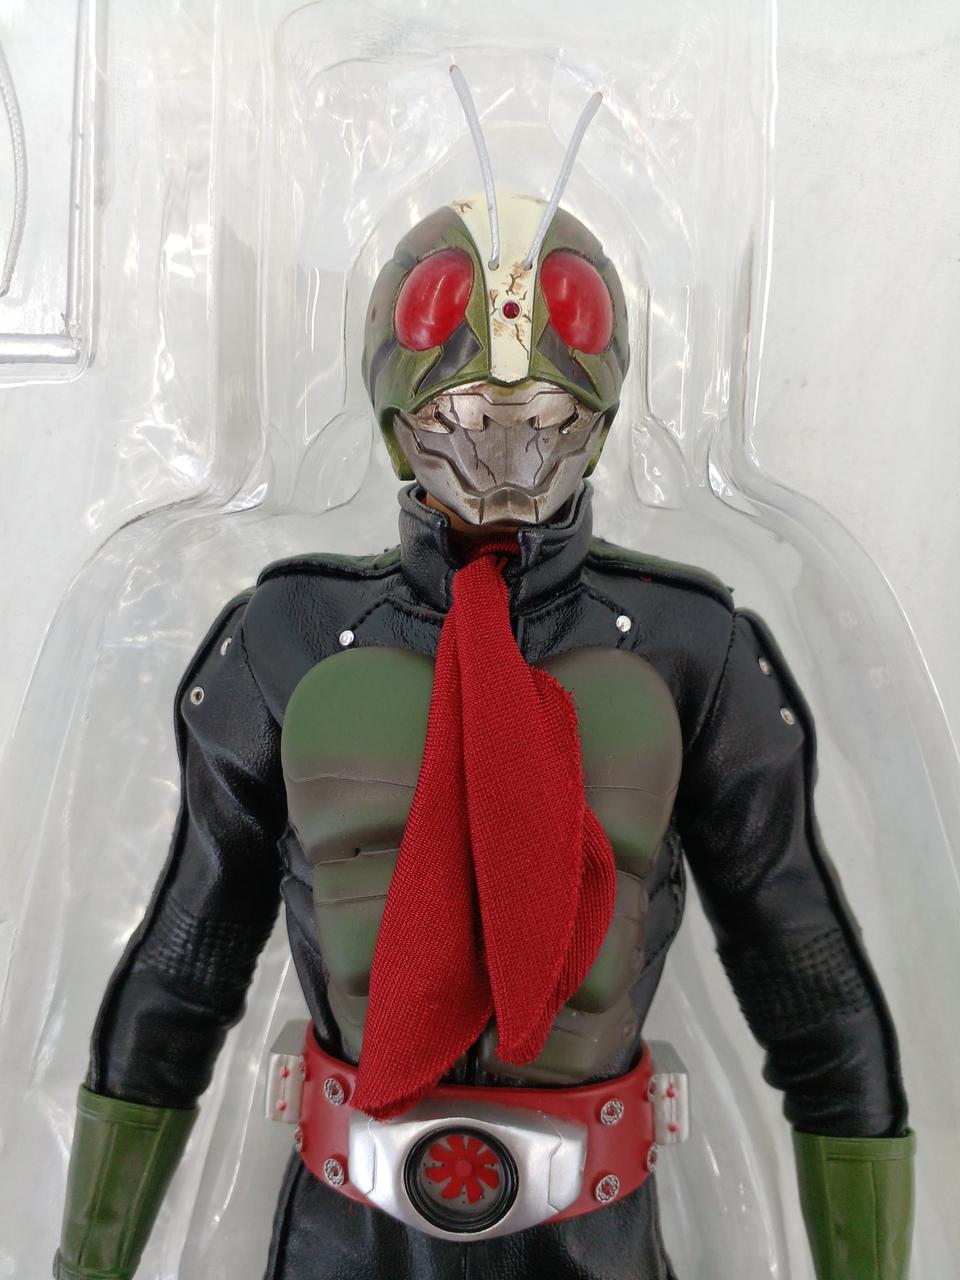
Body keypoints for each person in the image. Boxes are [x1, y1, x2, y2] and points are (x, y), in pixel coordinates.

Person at [54, 83, 914, 1280]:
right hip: (349, 1228)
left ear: (598, 412)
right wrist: (86, 1260)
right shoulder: (286, 637)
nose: (505, 447)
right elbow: (185, 963)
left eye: (545, 413)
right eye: (464, 410)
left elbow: (806, 975)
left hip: (591, 1231)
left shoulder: (692, 649)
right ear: (400, 411)